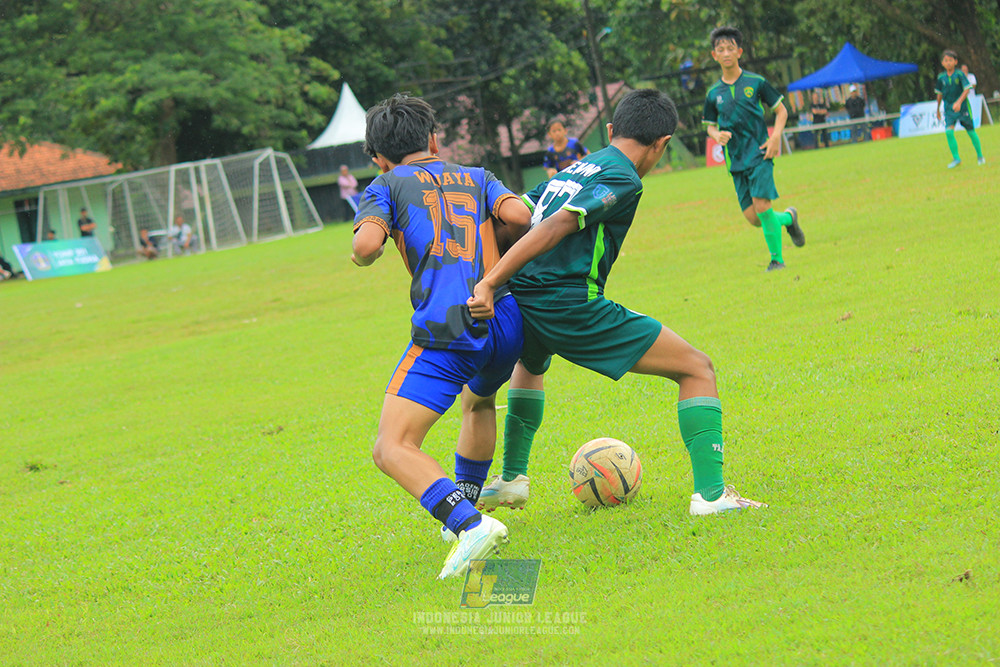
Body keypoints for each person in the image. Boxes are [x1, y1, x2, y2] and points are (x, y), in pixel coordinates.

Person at [469, 89, 767, 517]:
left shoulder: (572, 167)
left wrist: (493, 282)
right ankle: (712, 496)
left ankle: (513, 479)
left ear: (610, 131)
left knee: (529, 365)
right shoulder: (624, 177)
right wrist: (491, 281)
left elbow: (505, 217)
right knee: (696, 368)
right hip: (568, 304)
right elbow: (556, 226)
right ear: (663, 144)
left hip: (524, 299)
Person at [351, 93, 532, 579]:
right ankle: (465, 506)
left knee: (391, 447)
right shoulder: (478, 175)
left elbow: (366, 247)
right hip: (506, 316)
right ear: (433, 139)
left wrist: (364, 245)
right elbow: (519, 217)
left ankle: (469, 524)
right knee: (479, 402)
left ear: (378, 156)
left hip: (449, 325)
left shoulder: (385, 184)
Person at [702, 26, 805, 272]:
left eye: (730, 48)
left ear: (739, 52)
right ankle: (789, 219)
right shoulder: (713, 93)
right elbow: (709, 126)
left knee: (762, 206)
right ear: (714, 55)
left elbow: (781, 111)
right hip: (735, 160)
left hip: (760, 152)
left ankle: (777, 260)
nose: (726, 53)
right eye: (720, 49)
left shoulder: (757, 82)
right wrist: (717, 135)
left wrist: (776, 137)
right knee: (754, 218)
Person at [936, 50, 985, 168]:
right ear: (942, 63)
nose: (948, 63)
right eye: (945, 60)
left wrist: (958, 102)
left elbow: (967, 89)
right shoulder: (941, 77)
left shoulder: (959, 74)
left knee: (971, 132)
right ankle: (956, 158)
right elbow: (939, 94)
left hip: (962, 108)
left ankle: (980, 156)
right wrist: (937, 109)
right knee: (948, 132)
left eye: (950, 60)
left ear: (955, 62)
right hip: (949, 109)